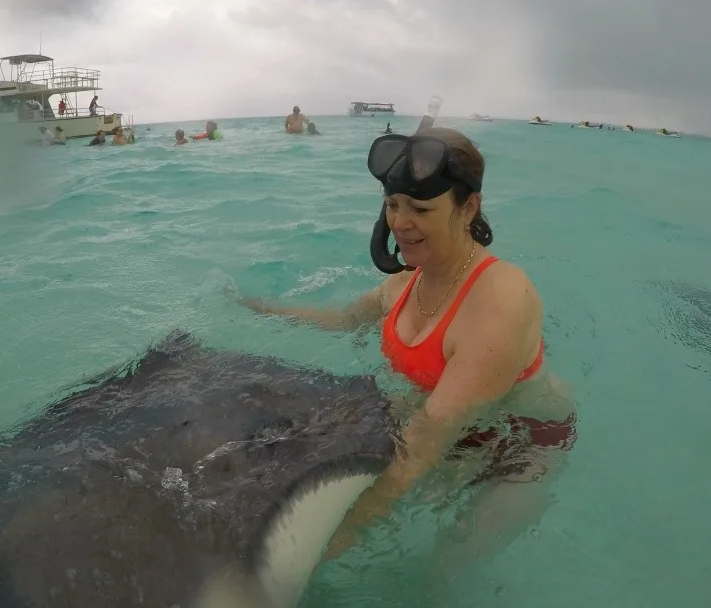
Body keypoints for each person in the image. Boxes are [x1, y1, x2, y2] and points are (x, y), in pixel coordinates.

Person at [238, 126, 575, 561]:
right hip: (444, 433)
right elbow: (343, 321)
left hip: (517, 449)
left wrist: (321, 550)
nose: (399, 223)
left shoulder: (501, 303)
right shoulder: (401, 284)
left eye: (420, 208)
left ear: (469, 206)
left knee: (446, 564)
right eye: (392, 205)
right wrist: (262, 309)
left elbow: (422, 444)